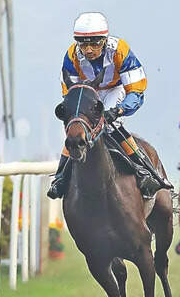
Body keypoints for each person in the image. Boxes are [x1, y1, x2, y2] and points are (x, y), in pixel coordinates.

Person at [46, 12, 172, 199]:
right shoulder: (72, 55)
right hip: (88, 92)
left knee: (111, 125)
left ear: (104, 40)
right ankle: (59, 178)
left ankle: (144, 170)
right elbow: (71, 93)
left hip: (116, 89)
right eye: (83, 44)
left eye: (95, 44)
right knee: (76, 128)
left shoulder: (120, 50)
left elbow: (136, 91)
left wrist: (119, 110)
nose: (88, 50)